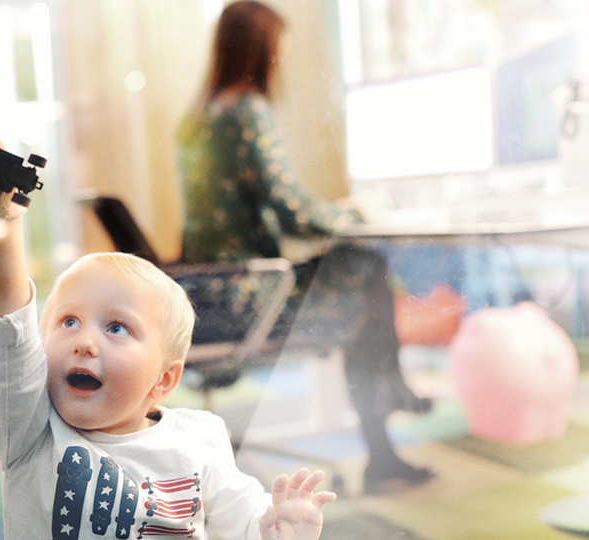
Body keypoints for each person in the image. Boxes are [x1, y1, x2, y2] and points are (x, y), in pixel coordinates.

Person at [0, 154, 336, 539]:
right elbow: (6, 337)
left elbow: (242, 518)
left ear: (163, 380)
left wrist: (277, 527)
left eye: (117, 327)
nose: (85, 342)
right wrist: (1, 224)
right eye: (68, 321)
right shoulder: (30, 429)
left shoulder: (200, 437)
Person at [176, 0, 433, 494]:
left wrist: (332, 209)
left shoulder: (197, 121)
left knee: (363, 279)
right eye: (278, 53)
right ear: (258, 51)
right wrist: (358, 210)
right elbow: (293, 213)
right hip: (252, 299)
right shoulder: (246, 111)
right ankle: (384, 442)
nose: (280, 65)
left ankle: (392, 408)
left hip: (208, 295)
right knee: (368, 272)